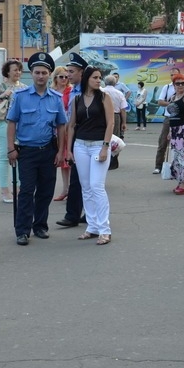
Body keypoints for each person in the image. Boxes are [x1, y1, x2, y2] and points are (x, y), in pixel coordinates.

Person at [6, 53, 67, 245]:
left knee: (46, 191)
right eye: (37, 72)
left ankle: (40, 226)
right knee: (26, 191)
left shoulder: (56, 98)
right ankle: (22, 230)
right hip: (27, 151)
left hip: (48, 150)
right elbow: (11, 123)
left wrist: (60, 152)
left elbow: (61, 126)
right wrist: (10, 149)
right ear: (31, 74)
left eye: (44, 73)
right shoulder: (20, 97)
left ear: (50, 75)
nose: (40, 76)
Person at [65, 66, 114, 245]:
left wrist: (105, 147)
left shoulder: (104, 97)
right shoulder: (76, 99)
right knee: (85, 187)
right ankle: (92, 227)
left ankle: (104, 229)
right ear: (87, 78)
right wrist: (69, 149)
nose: (98, 80)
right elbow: (71, 125)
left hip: (98, 146)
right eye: (95, 77)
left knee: (96, 186)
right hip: (80, 146)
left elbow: (111, 123)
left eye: (100, 77)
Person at [0, 59, 27, 203]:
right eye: (15, 70)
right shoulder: (1, 86)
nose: (18, 72)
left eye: (19, 70)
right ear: (7, 72)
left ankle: (20, 189)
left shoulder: (24, 87)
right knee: (4, 157)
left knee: (21, 157)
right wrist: (3, 95)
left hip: (22, 126)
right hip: (5, 124)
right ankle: (5, 191)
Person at [56, 53, 88, 228]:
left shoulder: (88, 91)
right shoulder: (71, 90)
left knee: (86, 180)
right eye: (67, 71)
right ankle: (74, 214)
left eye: (72, 71)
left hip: (86, 136)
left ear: (81, 73)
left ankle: (80, 214)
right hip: (73, 135)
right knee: (77, 178)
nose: (68, 75)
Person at [153, 67, 184, 174]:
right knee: (163, 142)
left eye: (175, 75)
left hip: (183, 119)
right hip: (169, 118)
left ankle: (182, 167)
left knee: (182, 145)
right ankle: (158, 166)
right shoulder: (167, 87)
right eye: (171, 75)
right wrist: (172, 105)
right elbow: (160, 101)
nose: (179, 85)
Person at [51, 66, 72, 201]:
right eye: (61, 77)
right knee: (62, 162)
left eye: (66, 76)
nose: (64, 79)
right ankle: (65, 189)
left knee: (69, 160)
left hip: (69, 128)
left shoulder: (71, 91)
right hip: (56, 129)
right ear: (55, 78)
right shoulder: (52, 91)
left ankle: (71, 189)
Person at [102, 74, 127, 170]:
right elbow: (123, 109)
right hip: (115, 116)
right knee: (115, 138)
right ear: (115, 82)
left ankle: (103, 158)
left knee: (103, 137)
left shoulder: (101, 91)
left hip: (102, 116)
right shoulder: (119, 93)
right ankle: (113, 160)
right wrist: (124, 122)